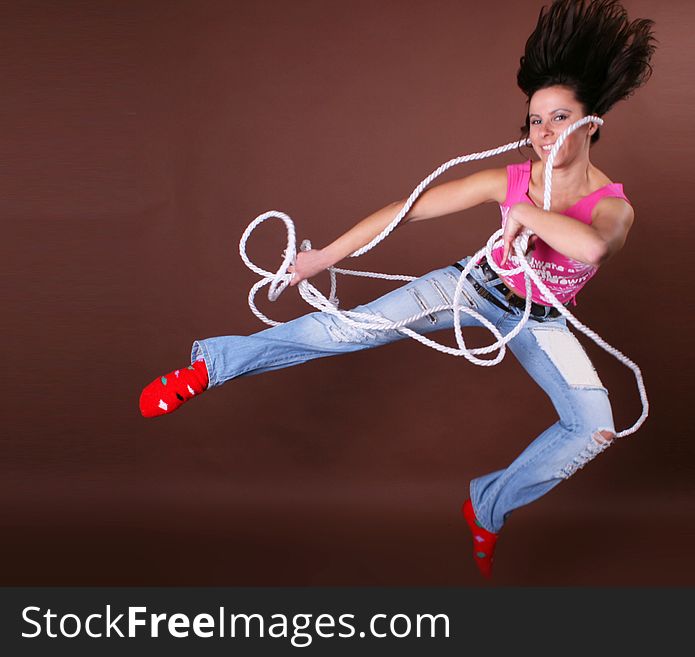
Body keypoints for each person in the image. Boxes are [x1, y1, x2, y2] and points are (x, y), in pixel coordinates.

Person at [139, 0, 657, 579]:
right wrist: (325, 256)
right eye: (535, 120)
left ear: (593, 123)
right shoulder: (508, 180)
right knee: (347, 329)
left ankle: (487, 506)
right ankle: (213, 363)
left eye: (559, 118)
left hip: (542, 319)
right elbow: (406, 210)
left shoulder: (611, 204)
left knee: (594, 425)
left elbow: (593, 248)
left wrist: (527, 219)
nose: (542, 133)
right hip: (474, 289)